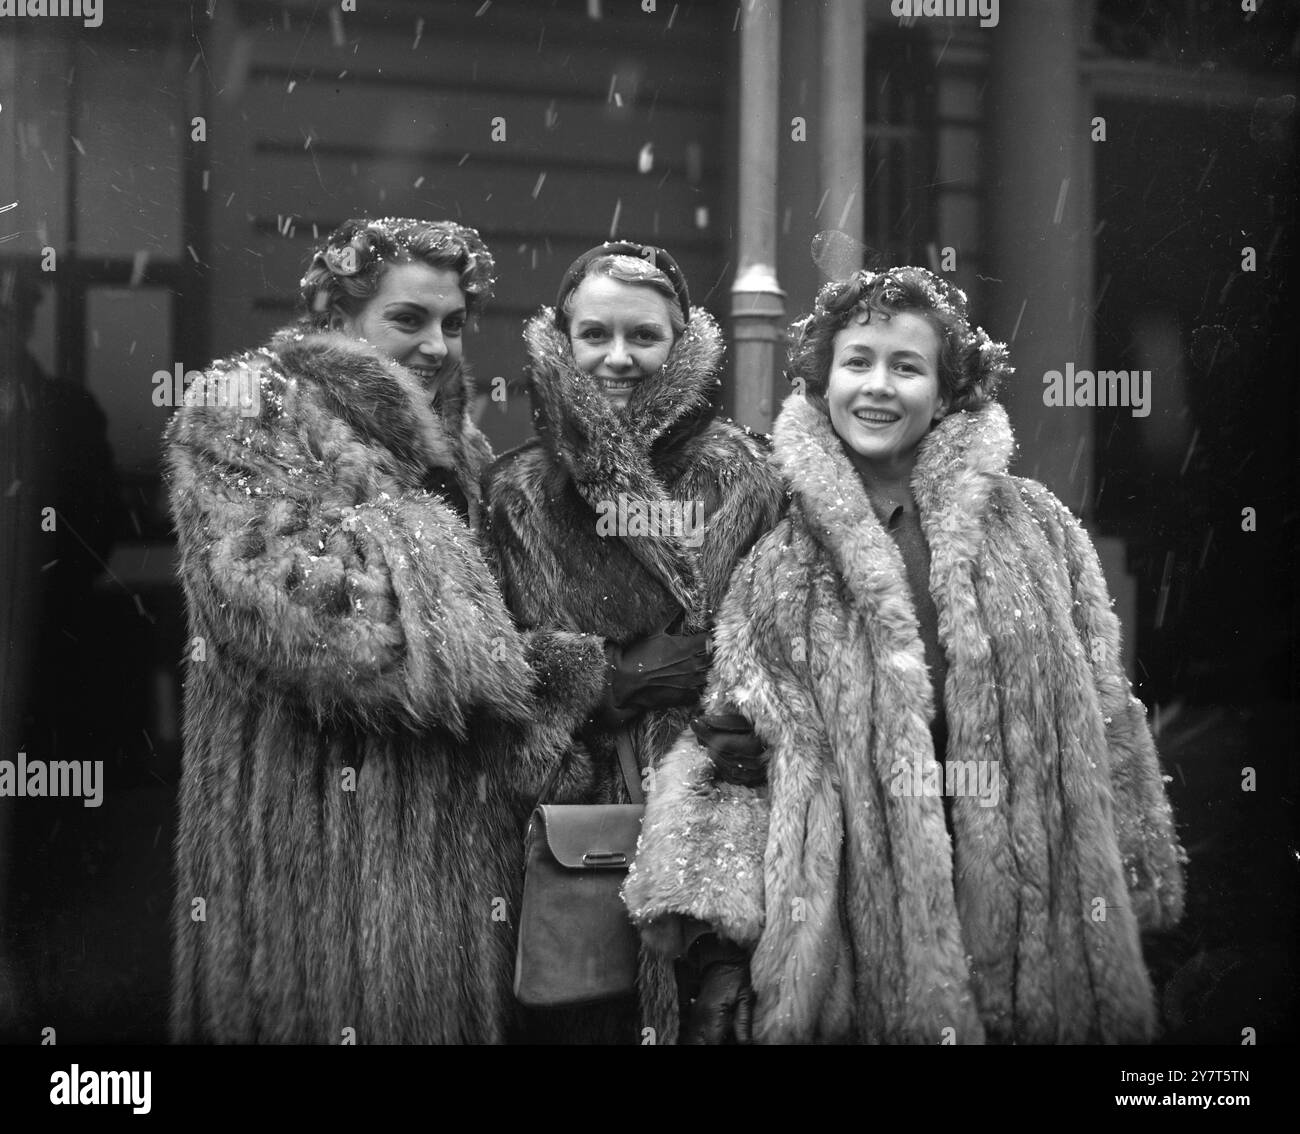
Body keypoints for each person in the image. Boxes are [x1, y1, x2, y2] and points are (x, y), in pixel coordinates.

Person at [624, 266, 1186, 1044]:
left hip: (1042, 929)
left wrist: (1136, 879)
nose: (877, 387)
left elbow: (1107, 709)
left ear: (949, 391)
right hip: (861, 948)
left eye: (907, 366)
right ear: (824, 381)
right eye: (857, 362)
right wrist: (720, 956)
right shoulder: (779, 565)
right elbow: (733, 757)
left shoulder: (1041, 530)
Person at [165, 217, 606, 1043]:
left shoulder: (463, 448)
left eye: (452, 323)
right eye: (408, 319)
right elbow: (278, 599)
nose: (437, 345)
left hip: (449, 853)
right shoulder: (249, 404)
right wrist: (489, 648)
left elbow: (489, 619)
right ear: (339, 317)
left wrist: (538, 683)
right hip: (306, 836)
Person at [482, 242, 786, 1043]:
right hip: (565, 828)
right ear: (563, 340)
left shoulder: (745, 473)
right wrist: (603, 678)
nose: (618, 359)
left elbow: (783, 640)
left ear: (680, 344)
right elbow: (485, 668)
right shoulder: (516, 492)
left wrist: (745, 715)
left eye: (643, 337)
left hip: (716, 831)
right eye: (596, 335)